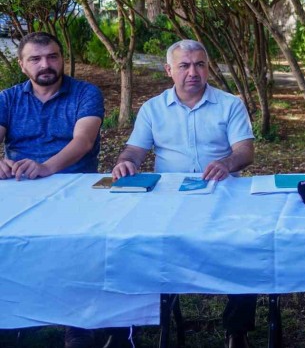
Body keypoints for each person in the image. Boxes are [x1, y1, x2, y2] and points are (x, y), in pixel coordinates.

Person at [112, 39, 256, 348]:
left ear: (208, 68)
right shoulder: (153, 108)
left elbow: (245, 151)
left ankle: (237, 331)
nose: (193, 72)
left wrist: (227, 163)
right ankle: (128, 327)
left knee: (245, 248)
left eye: (200, 65)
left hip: (222, 193)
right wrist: (127, 162)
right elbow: (135, 149)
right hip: (168, 198)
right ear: (169, 70)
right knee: (129, 245)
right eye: (184, 66)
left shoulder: (229, 104)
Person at [0, 32, 106, 347]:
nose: (45, 64)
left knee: (77, 247)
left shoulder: (86, 93)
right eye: (35, 59)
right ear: (22, 65)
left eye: (52, 57)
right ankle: (12, 314)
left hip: (77, 186)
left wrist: (46, 167)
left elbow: (83, 141)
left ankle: (78, 324)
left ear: (62, 58)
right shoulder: (8, 98)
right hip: (19, 188)